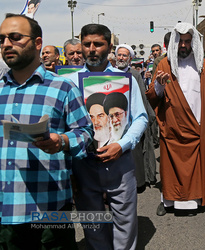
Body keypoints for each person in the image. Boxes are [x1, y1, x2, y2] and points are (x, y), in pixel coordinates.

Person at [0, 13, 92, 248]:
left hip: (49, 209)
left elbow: (85, 131)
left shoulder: (62, 87)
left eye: (15, 37)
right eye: (1, 40)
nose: (6, 44)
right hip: (4, 211)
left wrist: (61, 141)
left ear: (38, 43)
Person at [68, 23, 148, 250]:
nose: (92, 49)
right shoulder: (69, 82)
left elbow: (140, 118)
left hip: (120, 163)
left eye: (98, 44)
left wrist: (122, 146)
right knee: (93, 224)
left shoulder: (126, 80)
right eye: (87, 44)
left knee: (125, 222)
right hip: (84, 164)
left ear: (109, 46)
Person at [146, 22, 205, 216]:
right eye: (180, 41)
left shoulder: (204, 67)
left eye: (188, 41)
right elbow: (153, 95)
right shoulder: (164, 64)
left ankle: (192, 201)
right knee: (171, 167)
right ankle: (168, 201)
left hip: (197, 125)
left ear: (193, 42)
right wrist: (160, 86)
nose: (184, 46)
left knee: (195, 166)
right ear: (174, 42)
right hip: (172, 126)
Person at [115, 43, 157, 186]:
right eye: (119, 55)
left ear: (130, 58)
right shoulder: (110, 74)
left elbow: (142, 98)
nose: (121, 58)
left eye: (124, 55)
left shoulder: (134, 75)